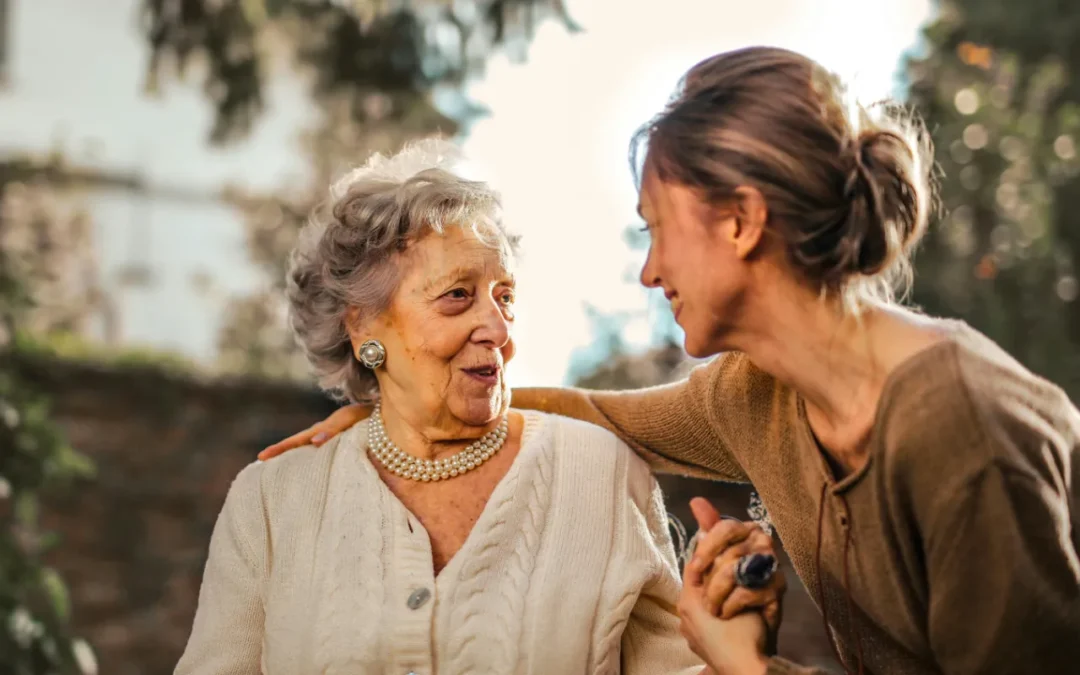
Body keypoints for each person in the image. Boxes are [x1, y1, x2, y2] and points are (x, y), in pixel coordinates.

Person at [261, 46, 1080, 675]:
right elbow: (593, 412)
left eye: (656, 227)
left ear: (741, 222)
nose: (650, 271)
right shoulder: (757, 394)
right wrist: (399, 405)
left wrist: (744, 666)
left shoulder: (961, 433)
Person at [176, 140, 708, 674]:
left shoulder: (602, 475)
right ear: (362, 327)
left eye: (505, 297)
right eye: (458, 295)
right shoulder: (270, 502)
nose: (500, 331)